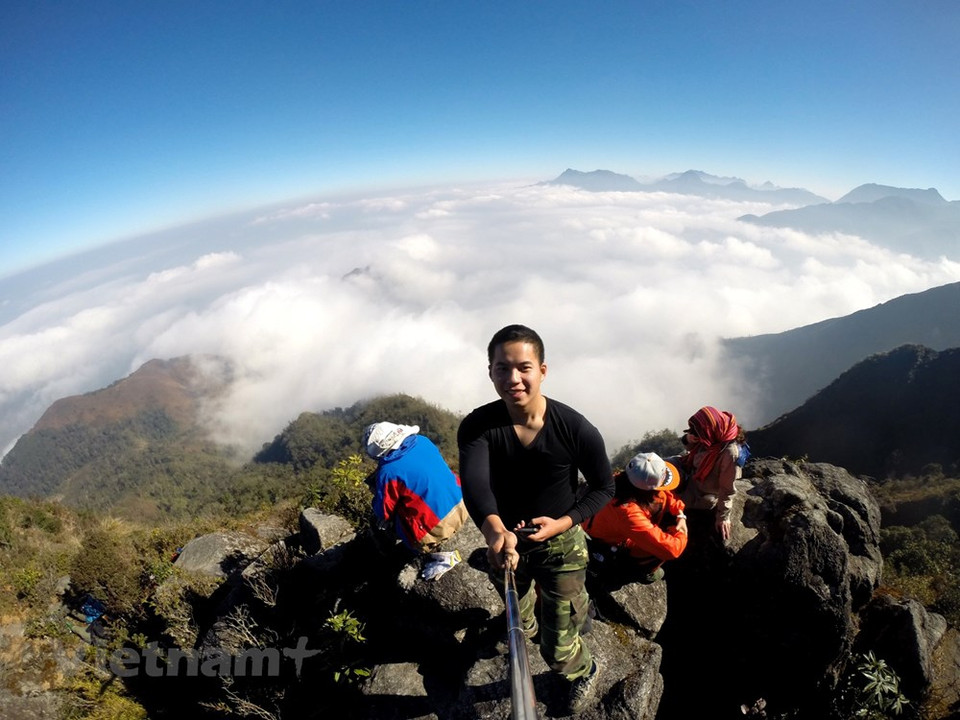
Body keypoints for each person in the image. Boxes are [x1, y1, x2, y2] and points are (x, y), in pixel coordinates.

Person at [458, 324, 615, 714]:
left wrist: (563, 522)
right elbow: (476, 485)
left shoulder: (574, 428)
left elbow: (603, 487)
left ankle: (583, 670)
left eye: (524, 367)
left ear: (543, 370)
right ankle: (537, 622)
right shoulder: (479, 426)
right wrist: (495, 530)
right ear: (490, 371)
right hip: (508, 543)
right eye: (502, 368)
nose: (513, 378)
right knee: (522, 617)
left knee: (556, 648)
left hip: (561, 546)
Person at [362, 422, 468, 574]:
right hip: (462, 502)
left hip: (437, 525)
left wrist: (377, 495)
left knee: (380, 524)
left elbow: (384, 512)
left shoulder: (389, 471)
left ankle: (430, 555)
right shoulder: (422, 440)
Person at [582, 452, 688, 584]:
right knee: (656, 556)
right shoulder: (628, 513)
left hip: (610, 529)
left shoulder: (620, 480)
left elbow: (665, 494)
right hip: (605, 544)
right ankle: (633, 574)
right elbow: (671, 549)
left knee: (662, 510)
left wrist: (680, 514)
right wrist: (681, 532)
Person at [674, 406, 747, 542]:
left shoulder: (730, 453)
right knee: (658, 466)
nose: (697, 436)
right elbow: (693, 449)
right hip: (689, 469)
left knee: (661, 495)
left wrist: (723, 517)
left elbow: (727, 489)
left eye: (698, 433)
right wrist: (689, 439)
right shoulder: (715, 434)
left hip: (700, 491)